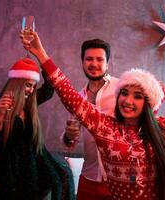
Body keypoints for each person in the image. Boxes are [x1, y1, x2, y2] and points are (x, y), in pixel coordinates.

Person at [21, 31, 165, 200]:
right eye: (124, 93)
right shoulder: (105, 127)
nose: (127, 100)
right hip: (92, 179)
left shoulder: (164, 127)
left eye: (137, 96)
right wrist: (41, 54)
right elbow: (65, 90)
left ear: (148, 103)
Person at [0, 58, 75, 200]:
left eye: (33, 87)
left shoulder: (30, 103)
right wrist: (0, 115)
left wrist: (40, 58)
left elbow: (49, 90)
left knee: (63, 177)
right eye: (28, 85)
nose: (31, 91)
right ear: (17, 84)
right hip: (12, 170)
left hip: (35, 165)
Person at [62, 39, 118, 200]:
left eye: (99, 59)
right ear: (82, 62)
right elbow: (69, 143)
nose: (94, 63)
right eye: (89, 59)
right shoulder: (78, 98)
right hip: (88, 179)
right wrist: (69, 136)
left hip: (119, 180)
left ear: (107, 63)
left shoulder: (122, 89)